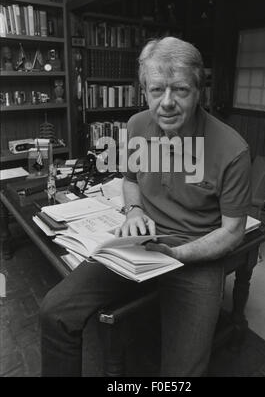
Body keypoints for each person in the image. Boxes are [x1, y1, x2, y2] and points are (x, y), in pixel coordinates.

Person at [40, 37, 251, 377]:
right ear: (144, 91)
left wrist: (180, 254)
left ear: (200, 91)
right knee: (55, 312)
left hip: (195, 254)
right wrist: (134, 212)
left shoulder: (232, 150)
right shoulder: (138, 125)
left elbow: (233, 232)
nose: (166, 103)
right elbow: (131, 181)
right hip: (139, 245)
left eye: (180, 90)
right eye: (156, 91)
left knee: (182, 372)